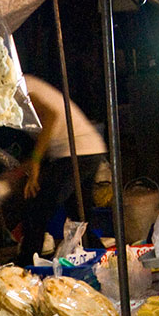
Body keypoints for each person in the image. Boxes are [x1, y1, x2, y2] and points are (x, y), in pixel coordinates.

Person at [13, 74, 107, 265]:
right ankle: (103, 261)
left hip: (76, 151)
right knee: (79, 218)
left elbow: (50, 117)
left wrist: (36, 164)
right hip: (89, 149)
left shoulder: (18, 88)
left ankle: (25, 269)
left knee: (37, 209)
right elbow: (46, 140)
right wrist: (25, 168)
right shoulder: (25, 86)